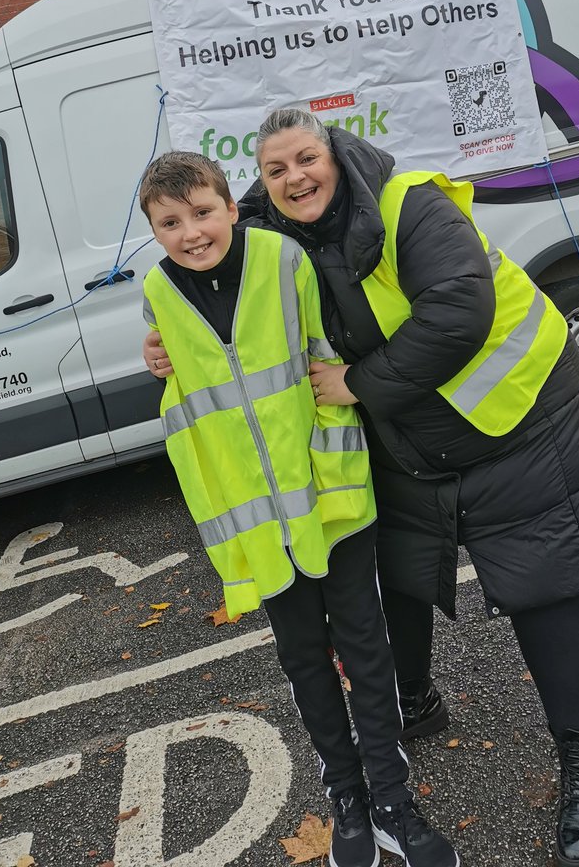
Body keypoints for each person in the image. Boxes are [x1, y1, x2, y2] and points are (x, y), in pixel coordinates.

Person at [144, 114, 579, 867]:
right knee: (397, 582)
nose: (295, 177)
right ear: (260, 187)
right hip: (413, 434)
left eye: (308, 158)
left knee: (542, 586)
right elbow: (215, 260)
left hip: (515, 418)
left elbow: (457, 312)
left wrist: (358, 384)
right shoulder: (273, 225)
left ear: (336, 154)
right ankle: (414, 706)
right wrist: (168, 330)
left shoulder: (409, 204)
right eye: (276, 170)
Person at [139, 150, 459, 867]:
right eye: (170, 222)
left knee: (366, 649)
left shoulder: (283, 258)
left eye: (203, 212)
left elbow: (324, 351)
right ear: (154, 231)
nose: (191, 233)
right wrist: (154, 359)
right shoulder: (157, 296)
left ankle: (391, 799)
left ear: (231, 205)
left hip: (329, 498)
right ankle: (345, 793)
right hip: (256, 521)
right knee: (305, 660)